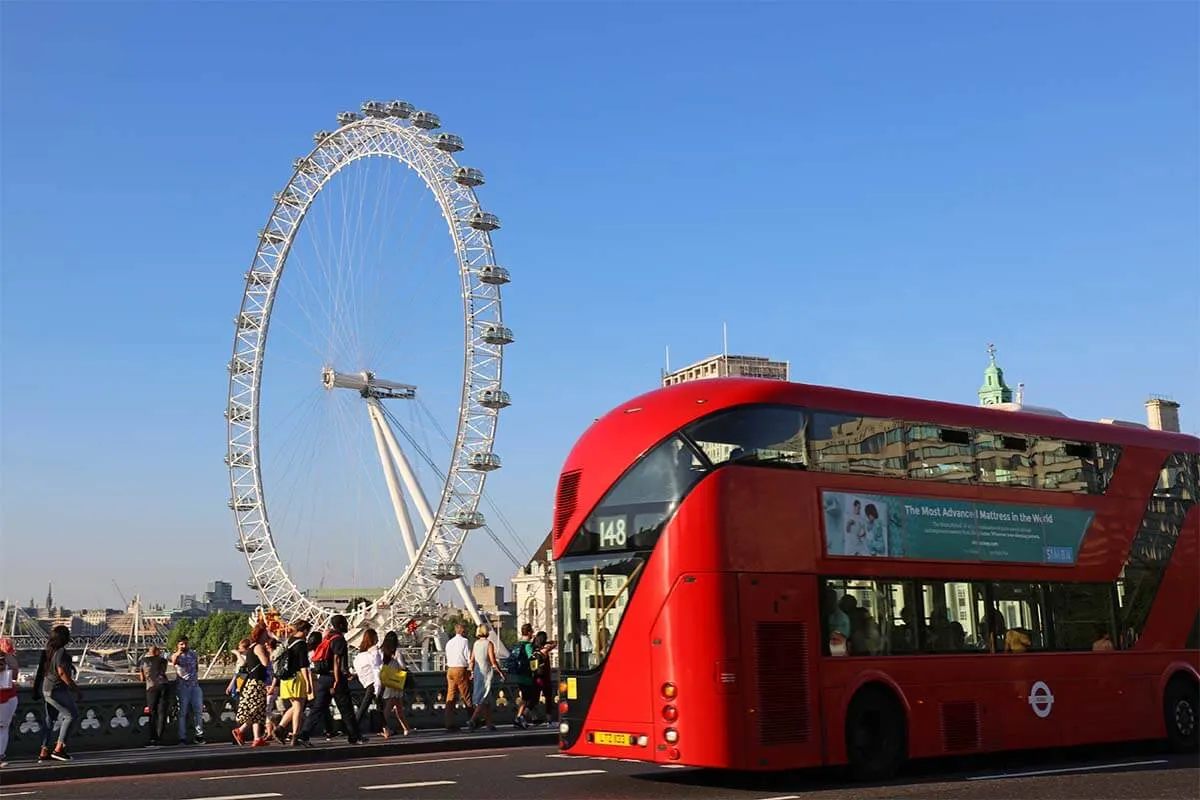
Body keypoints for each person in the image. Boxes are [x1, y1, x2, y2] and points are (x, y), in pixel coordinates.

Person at [298, 615, 362, 745]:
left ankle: (304, 734)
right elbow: (337, 660)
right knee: (346, 708)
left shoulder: (327, 638)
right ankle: (354, 736)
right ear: (341, 624)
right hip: (335, 677)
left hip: (323, 678)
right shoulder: (339, 639)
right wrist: (338, 680)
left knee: (318, 708)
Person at [36, 625, 80, 762]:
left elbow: (42, 671)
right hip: (57, 689)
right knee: (71, 715)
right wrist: (75, 688)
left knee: (50, 719)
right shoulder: (61, 651)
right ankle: (59, 749)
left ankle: (44, 750)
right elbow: (62, 672)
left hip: (46, 688)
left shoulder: (49, 650)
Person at [231, 624, 271, 747]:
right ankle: (240, 730)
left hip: (252, 682)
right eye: (265, 634)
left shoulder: (251, 647)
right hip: (257, 683)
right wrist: (268, 653)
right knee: (255, 710)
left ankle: (257, 738)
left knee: (257, 711)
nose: (267, 636)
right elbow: (265, 663)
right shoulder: (258, 647)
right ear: (261, 634)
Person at [274, 620, 313, 745]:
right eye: (308, 631)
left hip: (286, 679)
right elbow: (303, 666)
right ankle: (295, 735)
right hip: (296, 678)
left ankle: (280, 728)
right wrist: (308, 682)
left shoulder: (289, 641)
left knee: (295, 706)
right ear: (305, 630)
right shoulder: (301, 644)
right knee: (298, 708)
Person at [467, 624, 505, 732]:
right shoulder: (489, 644)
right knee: (483, 698)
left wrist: (471, 672)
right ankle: (472, 720)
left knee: (486, 699)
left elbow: (472, 659)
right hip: (486, 673)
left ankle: (489, 724)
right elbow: (493, 661)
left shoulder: (476, 644)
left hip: (477, 673)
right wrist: (500, 672)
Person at [169, 636, 206, 744]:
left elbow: (196, 668)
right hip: (182, 687)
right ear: (178, 645)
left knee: (198, 711)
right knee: (182, 713)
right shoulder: (176, 655)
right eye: (181, 644)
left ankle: (199, 736)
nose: (184, 646)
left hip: (195, 686)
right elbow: (174, 661)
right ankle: (182, 737)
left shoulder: (193, 654)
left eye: (185, 644)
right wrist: (179, 652)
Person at [378, 631, 413, 737]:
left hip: (386, 679)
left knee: (398, 706)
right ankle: (384, 728)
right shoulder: (397, 652)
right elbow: (402, 666)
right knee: (392, 706)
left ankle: (406, 728)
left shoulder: (381, 651)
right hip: (396, 679)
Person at [352, 628, 382, 735]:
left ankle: (385, 729)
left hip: (366, 681)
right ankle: (354, 728)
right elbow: (377, 668)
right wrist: (378, 684)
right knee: (366, 705)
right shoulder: (375, 651)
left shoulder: (360, 654)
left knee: (379, 705)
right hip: (374, 682)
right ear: (374, 638)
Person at [138, 645, 170, 746]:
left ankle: (153, 737)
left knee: (152, 713)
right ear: (157, 652)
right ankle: (160, 737)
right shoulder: (163, 661)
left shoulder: (143, 661)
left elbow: (142, 678)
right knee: (162, 713)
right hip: (163, 686)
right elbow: (163, 671)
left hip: (151, 687)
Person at [443, 622, 472, 731]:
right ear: (463, 631)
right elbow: (468, 657)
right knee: (466, 696)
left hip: (450, 670)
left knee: (450, 698)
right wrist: (471, 670)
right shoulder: (465, 641)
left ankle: (448, 723)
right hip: (460, 669)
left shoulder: (449, 642)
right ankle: (473, 720)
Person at [512, 623, 538, 728]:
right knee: (528, 698)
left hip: (518, 674)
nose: (532, 633)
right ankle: (520, 717)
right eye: (531, 631)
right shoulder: (527, 645)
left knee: (525, 697)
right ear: (528, 632)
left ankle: (521, 718)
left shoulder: (518, 644)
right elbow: (531, 659)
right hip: (526, 675)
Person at [0, 637, 18, 768]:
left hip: (7, 696)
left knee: (3, 727)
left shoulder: (8, 658)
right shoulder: (9, 658)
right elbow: (15, 674)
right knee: (3, 728)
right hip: (7, 695)